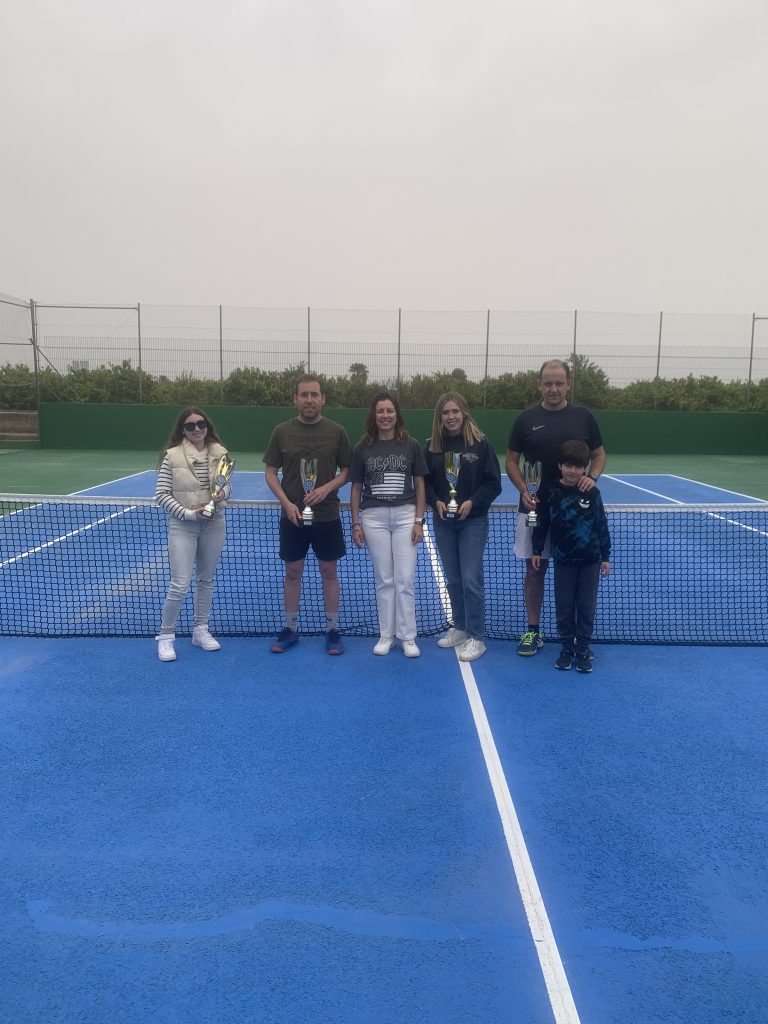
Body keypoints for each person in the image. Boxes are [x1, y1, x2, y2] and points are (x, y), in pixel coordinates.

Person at [506, 359, 606, 656]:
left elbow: (599, 455)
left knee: (574, 572)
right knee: (534, 569)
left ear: (568, 384)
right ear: (539, 385)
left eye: (559, 383)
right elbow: (511, 461)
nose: (553, 388)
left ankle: (574, 637)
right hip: (534, 508)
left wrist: (592, 478)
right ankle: (533, 631)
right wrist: (524, 490)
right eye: (548, 383)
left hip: (575, 514)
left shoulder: (584, 417)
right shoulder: (525, 419)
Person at [264, 374, 353, 655]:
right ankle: (290, 628)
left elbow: (347, 471)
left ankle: (333, 630)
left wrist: (326, 488)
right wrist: (286, 503)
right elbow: (270, 473)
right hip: (292, 517)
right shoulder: (281, 431)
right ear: (296, 399)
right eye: (304, 395)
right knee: (292, 572)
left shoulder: (337, 431)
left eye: (314, 395)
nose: (309, 400)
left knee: (329, 572)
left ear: (323, 399)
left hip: (327, 515)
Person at [423, 392, 501, 662]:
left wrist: (472, 502)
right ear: (440, 417)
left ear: (464, 413)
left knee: (470, 578)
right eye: (446, 412)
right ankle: (460, 626)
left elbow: (493, 483)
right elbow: (425, 483)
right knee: (453, 578)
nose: (451, 416)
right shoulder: (432, 447)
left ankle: (476, 636)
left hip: (473, 521)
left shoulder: (481, 445)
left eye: (455, 411)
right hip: (444, 522)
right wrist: (435, 502)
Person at [349, 393, 427, 657]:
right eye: (380, 411)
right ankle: (386, 635)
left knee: (404, 579)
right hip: (374, 518)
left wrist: (418, 521)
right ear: (374, 415)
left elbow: (420, 485)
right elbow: (356, 488)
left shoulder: (411, 445)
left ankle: (408, 637)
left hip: (406, 516)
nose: (385, 415)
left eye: (390, 411)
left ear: (397, 415)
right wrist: (356, 524)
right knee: (385, 579)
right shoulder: (362, 448)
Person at [155, 407, 232, 662]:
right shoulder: (172, 456)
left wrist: (222, 494)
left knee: (206, 580)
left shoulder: (221, 453)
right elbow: (162, 495)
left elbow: (226, 486)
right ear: (183, 430)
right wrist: (189, 514)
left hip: (215, 523)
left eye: (201, 423)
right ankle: (166, 636)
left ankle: (200, 630)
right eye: (190, 425)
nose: (197, 428)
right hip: (183, 526)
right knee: (179, 584)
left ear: (207, 425)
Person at [531, 440, 611, 672]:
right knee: (564, 607)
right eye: (568, 465)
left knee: (586, 607)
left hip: (590, 561)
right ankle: (567, 649)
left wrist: (605, 556)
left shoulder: (592, 492)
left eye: (577, 467)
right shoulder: (549, 491)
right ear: (560, 466)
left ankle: (583, 650)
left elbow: (601, 525)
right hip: (563, 560)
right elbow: (541, 523)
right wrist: (536, 550)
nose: (572, 471)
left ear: (584, 468)